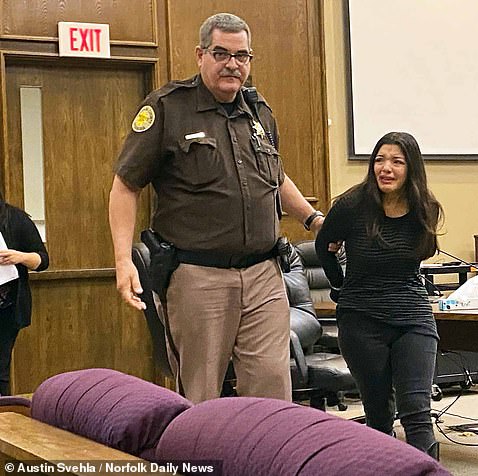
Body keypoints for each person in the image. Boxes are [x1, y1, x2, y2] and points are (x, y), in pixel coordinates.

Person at [109, 13, 324, 404]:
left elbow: (276, 176)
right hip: (198, 276)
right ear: (200, 55)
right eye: (221, 53)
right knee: (201, 393)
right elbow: (125, 184)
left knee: (273, 393)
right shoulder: (168, 108)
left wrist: (313, 219)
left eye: (242, 56)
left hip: (264, 273)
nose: (233, 64)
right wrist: (123, 259)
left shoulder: (259, 112)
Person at [315, 131, 444, 458]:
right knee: (379, 416)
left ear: (411, 168)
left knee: (416, 410)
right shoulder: (351, 206)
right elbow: (323, 248)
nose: (386, 168)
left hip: (412, 317)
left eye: (397, 162)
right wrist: (339, 286)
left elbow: (423, 252)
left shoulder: (425, 207)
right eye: (379, 160)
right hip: (362, 319)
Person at [0, 193, 49, 395]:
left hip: (7, 307)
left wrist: (19, 257)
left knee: (1, 365)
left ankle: (4, 417)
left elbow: (43, 261)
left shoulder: (15, 219)